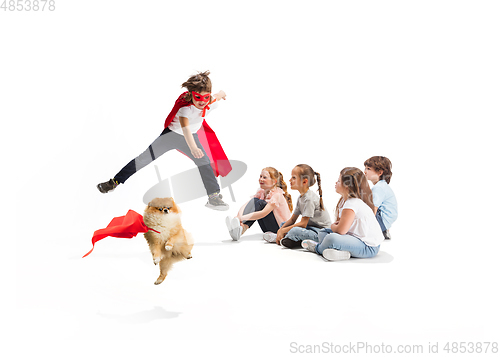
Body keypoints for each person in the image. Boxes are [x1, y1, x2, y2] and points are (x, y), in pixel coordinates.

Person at [96, 71, 231, 210]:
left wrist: (222, 93)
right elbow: (185, 129)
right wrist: (193, 148)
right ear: (191, 95)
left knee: (204, 162)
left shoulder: (210, 102)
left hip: (192, 136)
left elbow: (217, 96)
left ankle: (213, 197)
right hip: (171, 136)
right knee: (143, 159)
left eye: (205, 97)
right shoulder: (185, 109)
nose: (202, 101)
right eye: (198, 97)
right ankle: (114, 182)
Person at [301, 167, 384, 261]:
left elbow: (341, 230)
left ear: (347, 186)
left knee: (331, 238)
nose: (336, 183)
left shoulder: (352, 203)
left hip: (368, 247)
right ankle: (342, 253)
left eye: (339, 181)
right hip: (355, 238)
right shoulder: (344, 202)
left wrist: (333, 226)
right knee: (323, 232)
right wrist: (336, 227)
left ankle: (317, 248)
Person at [265, 164, 331, 248]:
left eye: (293, 178)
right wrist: (280, 230)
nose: (290, 180)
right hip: (310, 228)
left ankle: (286, 238)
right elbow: (292, 219)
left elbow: (303, 224)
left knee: (295, 230)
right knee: (283, 224)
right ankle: (286, 238)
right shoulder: (301, 198)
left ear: (304, 181)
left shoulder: (309, 199)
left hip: (320, 233)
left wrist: (283, 230)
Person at [225, 167, 293, 241]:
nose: (261, 179)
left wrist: (241, 218)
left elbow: (263, 213)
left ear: (274, 181)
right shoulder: (262, 192)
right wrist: (238, 217)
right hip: (267, 229)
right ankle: (238, 228)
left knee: (260, 203)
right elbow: (246, 205)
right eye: (260, 176)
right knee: (255, 200)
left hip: (279, 230)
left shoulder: (277, 195)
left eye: (265, 177)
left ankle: (243, 228)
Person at [364, 156, 398, 239]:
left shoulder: (379, 188)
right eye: (365, 168)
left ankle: (379, 230)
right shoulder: (381, 185)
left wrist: (367, 227)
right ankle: (383, 230)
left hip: (382, 220)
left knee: (363, 208)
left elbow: (373, 209)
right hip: (385, 220)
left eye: (368, 169)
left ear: (380, 173)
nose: (365, 172)